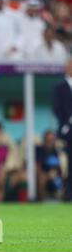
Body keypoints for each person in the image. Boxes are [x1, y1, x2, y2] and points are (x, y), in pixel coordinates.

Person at [53, 58, 72, 201]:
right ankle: (68, 193)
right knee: (67, 165)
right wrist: (66, 123)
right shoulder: (59, 86)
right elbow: (57, 108)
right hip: (66, 133)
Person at [36, 130, 64, 201]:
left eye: (52, 139)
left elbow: (60, 168)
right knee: (41, 179)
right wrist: (47, 175)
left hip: (55, 175)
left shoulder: (57, 152)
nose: (50, 141)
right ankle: (40, 202)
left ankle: (63, 200)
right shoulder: (39, 150)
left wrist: (56, 174)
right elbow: (37, 166)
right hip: (43, 175)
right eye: (48, 139)